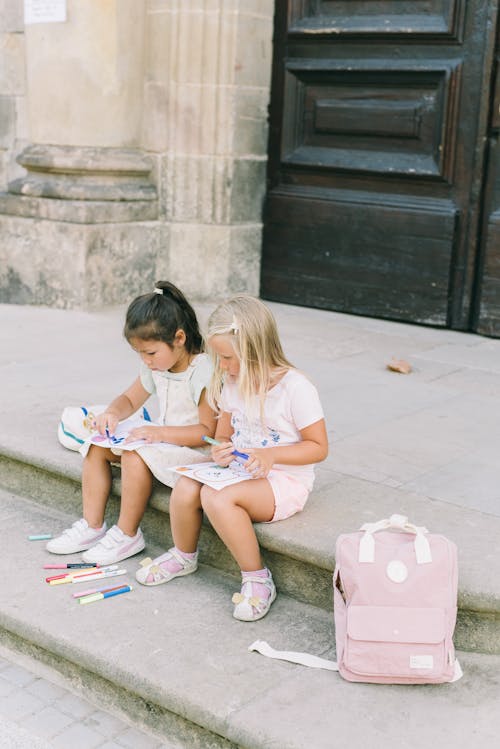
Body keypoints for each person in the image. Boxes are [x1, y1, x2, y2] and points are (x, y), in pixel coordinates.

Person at [135, 295, 328, 621]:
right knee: (185, 486)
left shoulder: (296, 388)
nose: (221, 366)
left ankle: (257, 577)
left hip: (283, 478)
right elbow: (223, 436)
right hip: (241, 470)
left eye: (226, 357)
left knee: (217, 498)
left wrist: (271, 455)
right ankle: (184, 556)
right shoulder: (232, 383)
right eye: (218, 358)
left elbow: (318, 447)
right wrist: (220, 449)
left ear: (255, 350)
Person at [47, 281, 216, 565]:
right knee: (95, 446)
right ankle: (92, 525)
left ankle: (127, 534)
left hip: (193, 452)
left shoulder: (202, 371)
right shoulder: (158, 365)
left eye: (150, 353)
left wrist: (158, 433)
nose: (146, 361)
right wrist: (112, 413)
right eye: (140, 354)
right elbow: (129, 398)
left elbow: (206, 433)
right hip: (161, 443)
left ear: (179, 338)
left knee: (134, 455)